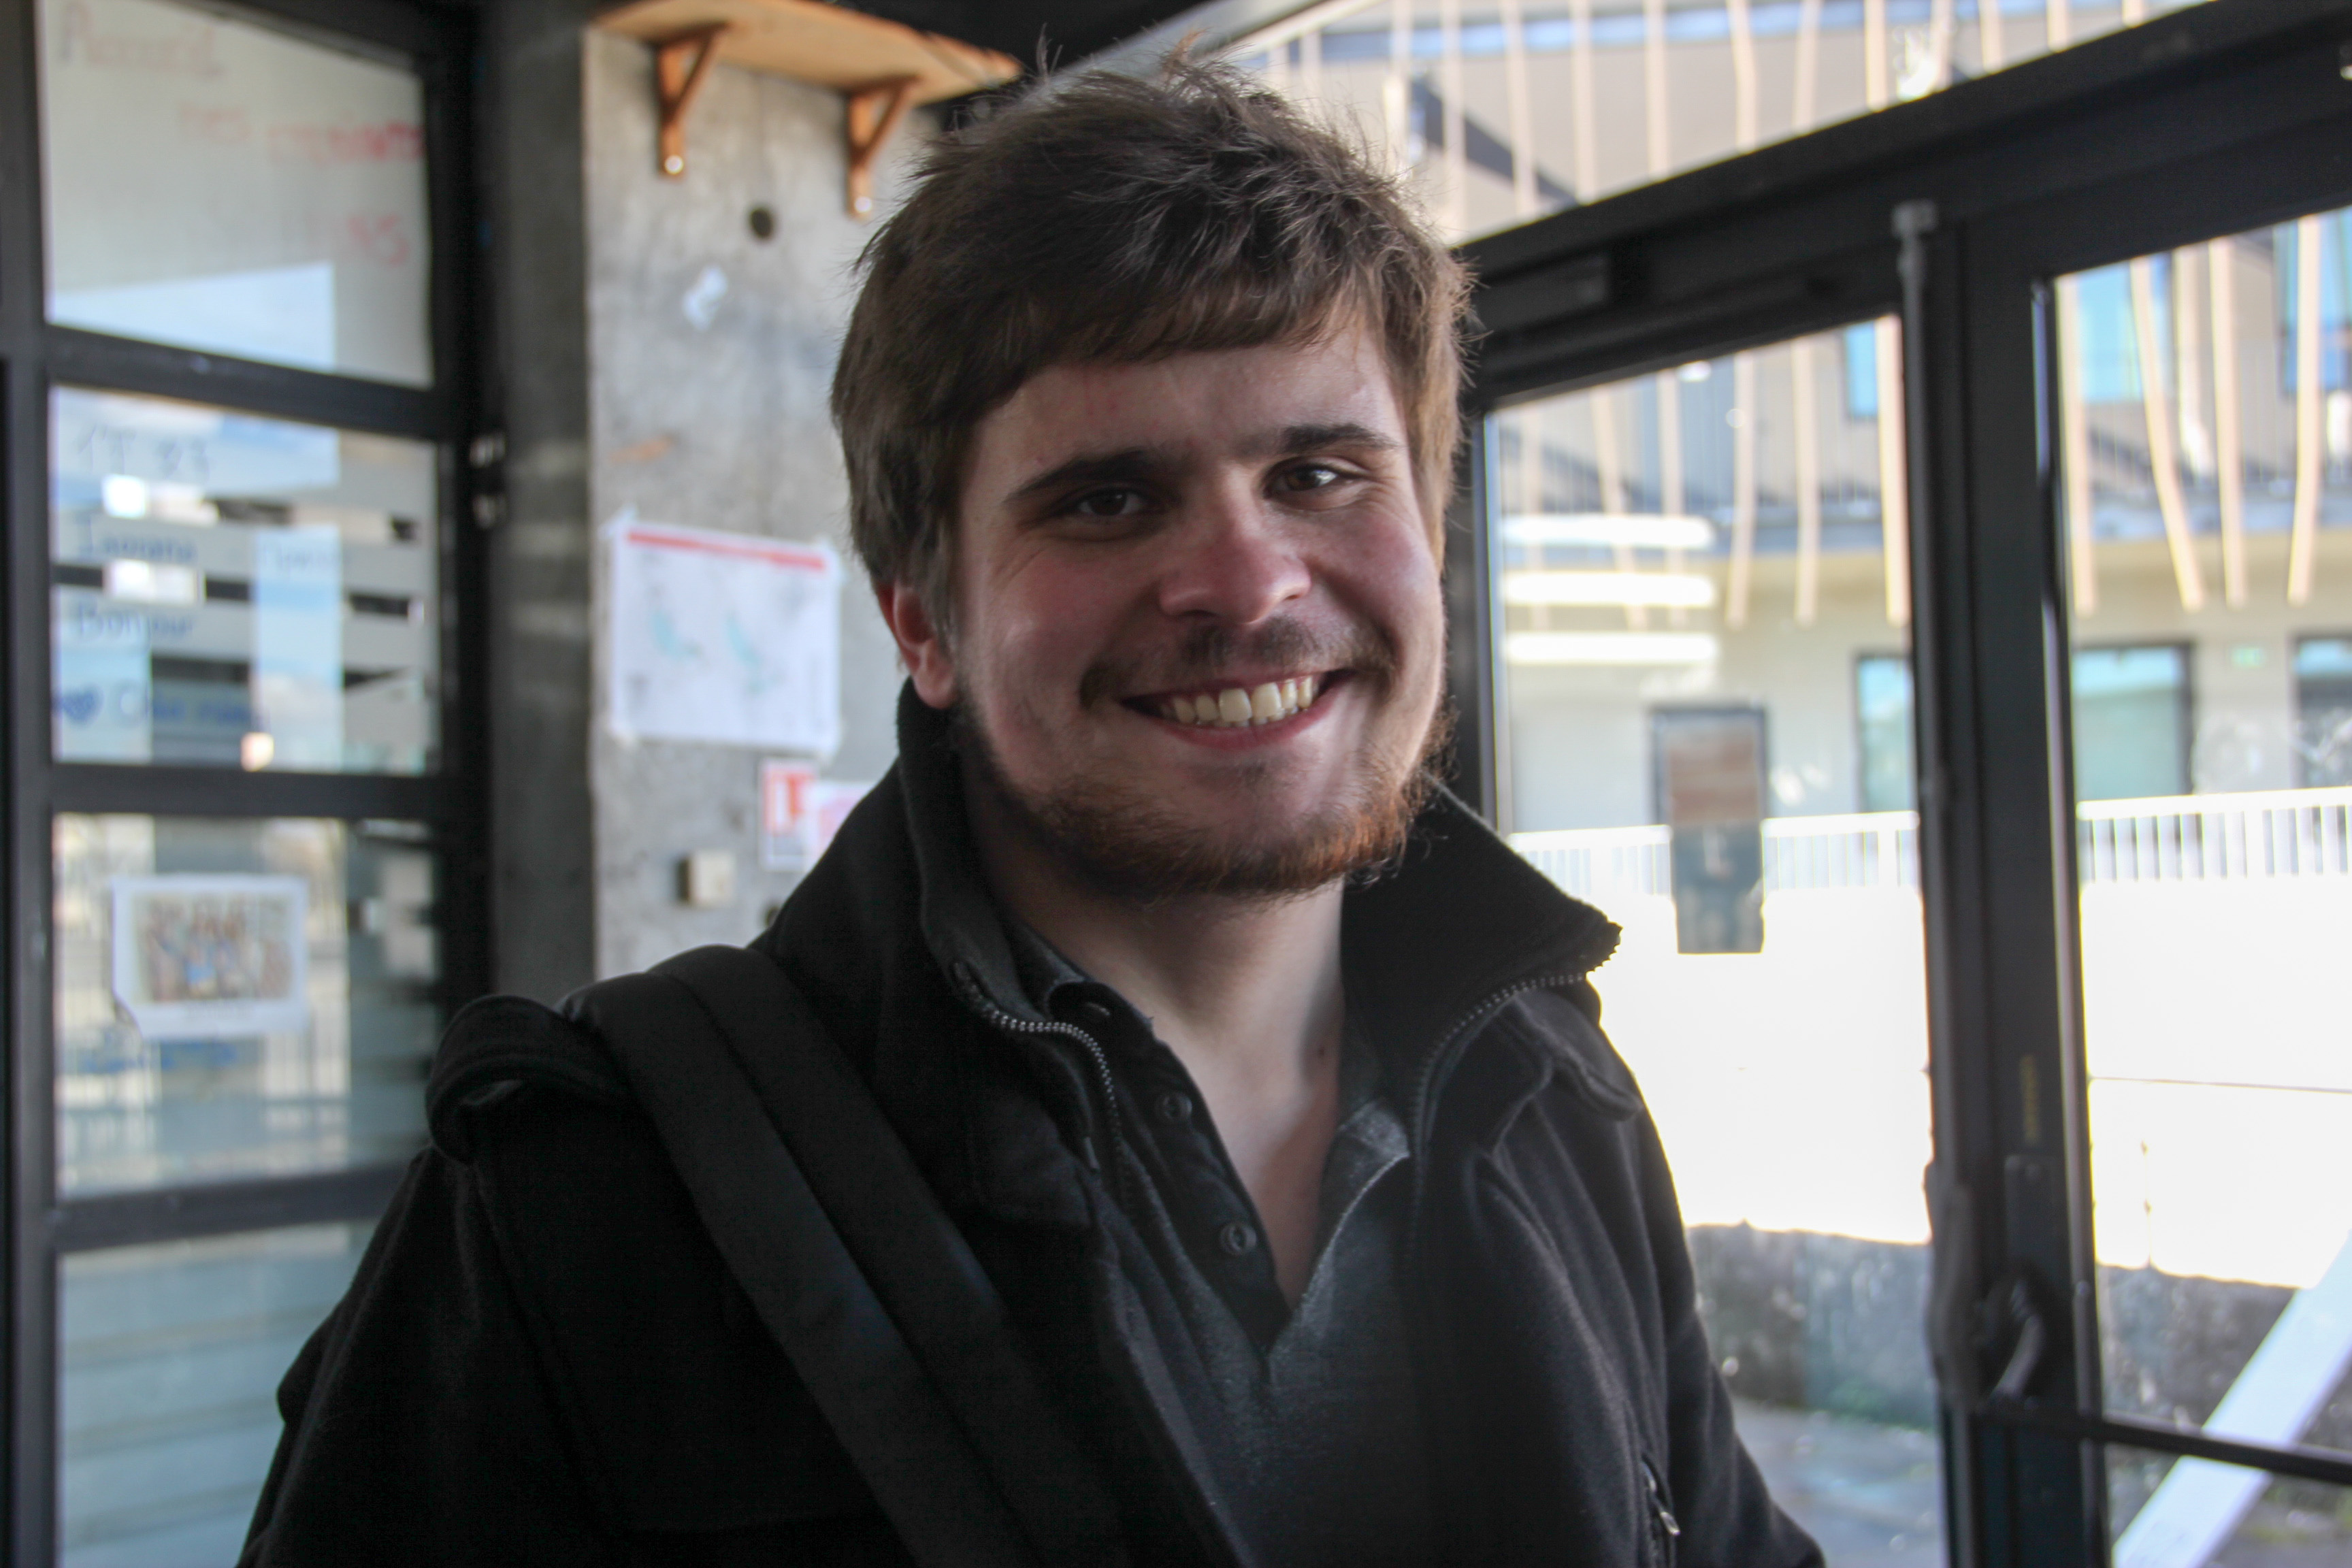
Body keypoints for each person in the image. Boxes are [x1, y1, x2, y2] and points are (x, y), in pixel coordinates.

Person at [240, 58, 1822, 1568]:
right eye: (1109, 499)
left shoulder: (1553, 1088)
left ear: (1433, 524)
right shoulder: (573, 1210)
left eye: (1321, 475)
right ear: (922, 622)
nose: (1248, 585)